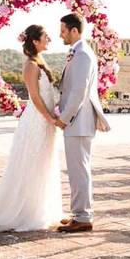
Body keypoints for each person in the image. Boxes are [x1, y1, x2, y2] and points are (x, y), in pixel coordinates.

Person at [0, 24, 63, 233]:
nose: (49, 39)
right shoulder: (31, 65)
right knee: (33, 164)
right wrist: (50, 118)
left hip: (45, 122)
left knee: (44, 164)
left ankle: (42, 208)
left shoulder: (40, 61)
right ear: (35, 41)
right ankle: (26, 212)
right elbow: (35, 96)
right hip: (37, 121)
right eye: (46, 36)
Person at [54, 12, 110, 233]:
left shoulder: (83, 55)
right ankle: (79, 212)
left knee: (79, 170)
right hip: (78, 122)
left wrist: (64, 118)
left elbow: (78, 92)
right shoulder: (78, 53)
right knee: (77, 170)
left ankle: (84, 217)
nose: (61, 35)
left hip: (78, 121)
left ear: (74, 30)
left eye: (63, 31)